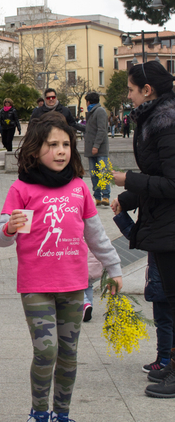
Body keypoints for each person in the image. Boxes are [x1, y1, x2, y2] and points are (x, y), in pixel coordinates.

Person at [0, 112, 122, 422]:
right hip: (35, 284)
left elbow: (96, 235)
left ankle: (61, 417)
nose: (61, 151)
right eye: (53, 144)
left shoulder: (79, 187)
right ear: (36, 150)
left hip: (73, 284)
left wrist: (115, 268)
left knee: (69, 354)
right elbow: (0, 237)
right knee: (46, 351)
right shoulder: (22, 188)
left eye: (66, 144)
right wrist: (8, 227)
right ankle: (38, 415)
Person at [111, 61, 175, 398]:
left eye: (131, 90)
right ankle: (171, 365)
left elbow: (171, 182)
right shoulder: (156, 119)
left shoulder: (167, 124)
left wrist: (128, 179)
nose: (129, 96)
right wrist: (128, 196)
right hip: (163, 222)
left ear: (146, 91)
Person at [112, 204, 174, 373]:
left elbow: (136, 236)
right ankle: (166, 359)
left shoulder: (160, 231)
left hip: (161, 283)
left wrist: (121, 215)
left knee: (164, 323)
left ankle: (164, 359)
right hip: (162, 282)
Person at [84, 91, 110, 208]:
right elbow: (89, 129)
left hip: (99, 149)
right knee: (94, 174)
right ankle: (97, 197)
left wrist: (96, 146)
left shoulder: (100, 111)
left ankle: (105, 195)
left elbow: (102, 130)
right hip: (91, 149)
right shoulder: (91, 112)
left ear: (88, 102)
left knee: (102, 172)